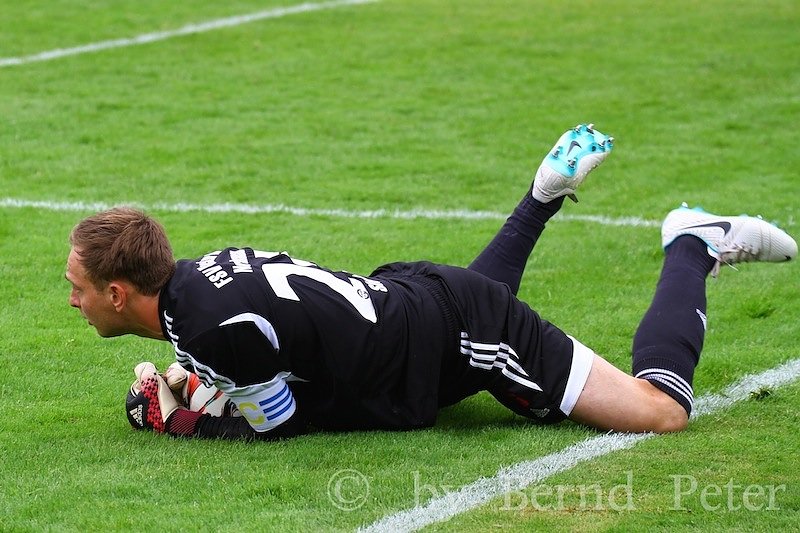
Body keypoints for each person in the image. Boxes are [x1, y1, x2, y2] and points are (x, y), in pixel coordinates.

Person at [65, 124, 797, 440]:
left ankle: (692, 244)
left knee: (660, 412)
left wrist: (185, 421)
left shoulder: (207, 327)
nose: (73, 299)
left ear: (118, 292)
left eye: (80, 286)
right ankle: (540, 197)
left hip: (447, 331)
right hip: (411, 305)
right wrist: (199, 381)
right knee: (465, 316)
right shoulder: (197, 283)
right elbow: (261, 342)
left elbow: (280, 424)